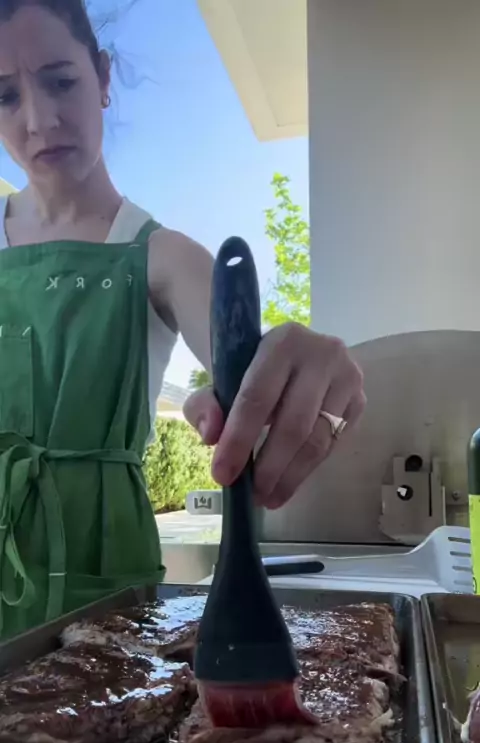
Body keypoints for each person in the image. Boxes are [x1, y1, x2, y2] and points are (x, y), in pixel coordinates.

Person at [0, 0, 366, 639]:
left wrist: (303, 373)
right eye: (5, 96)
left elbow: (255, 375)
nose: (39, 120)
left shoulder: (161, 255)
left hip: (102, 579)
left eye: (60, 81)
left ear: (103, 77)